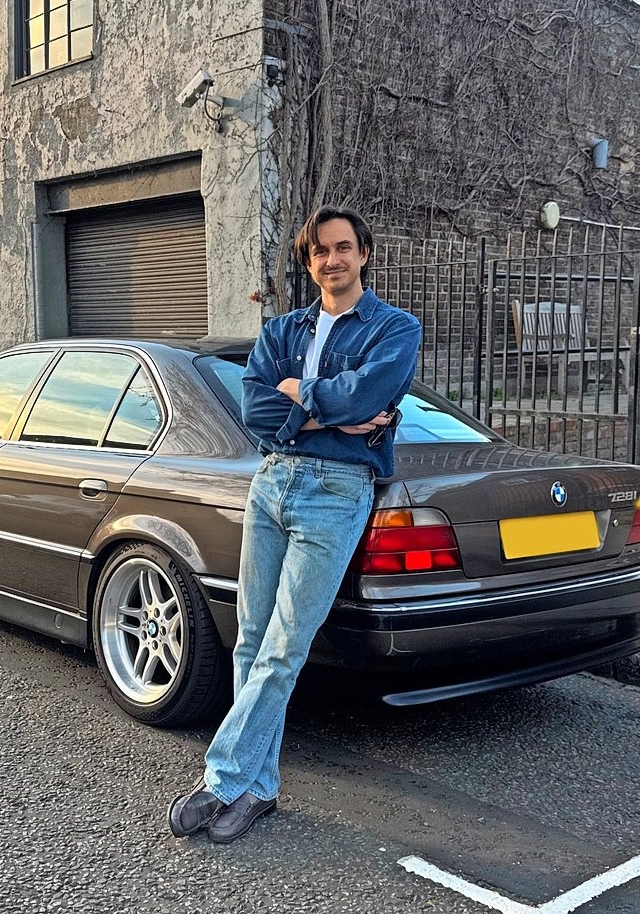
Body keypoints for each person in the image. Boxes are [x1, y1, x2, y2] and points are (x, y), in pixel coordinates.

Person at [168, 205, 422, 844]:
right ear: (309, 262)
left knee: (285, 645)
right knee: (252, 639)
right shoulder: (282, 329)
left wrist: (300, 397)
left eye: (343, 248)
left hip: (337, 492)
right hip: (272, 481)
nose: (332, 260)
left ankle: (222, 778)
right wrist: (328, 413)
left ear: (364, 253)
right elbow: (254, 407)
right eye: (319, 252)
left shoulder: (396, 328)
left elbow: (371, 395)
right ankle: (258, 788)